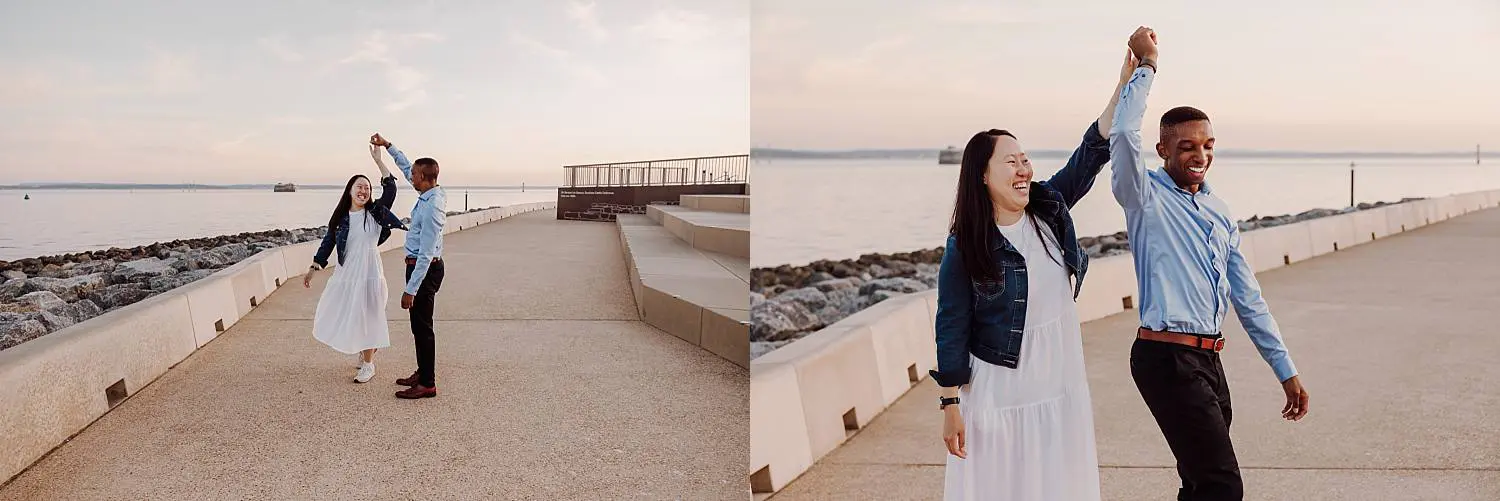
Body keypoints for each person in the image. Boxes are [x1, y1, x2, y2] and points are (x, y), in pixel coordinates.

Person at [930, 44, 1140, 501]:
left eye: (1024, 159)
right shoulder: (965, 247)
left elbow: (1089, 155)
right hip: (1000, 393)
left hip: (1059, 384)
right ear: (982, 176)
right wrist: (950, 406)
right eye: (1010, 162)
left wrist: (1124, 85)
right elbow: (950, 324)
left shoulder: (1048, 209)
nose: (1024, 169)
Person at [1109, 26, 1311, 501]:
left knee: (1200, 484)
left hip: (1208, 359)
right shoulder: (1145, 198)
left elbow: (1248, 298)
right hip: (1165, 358)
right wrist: (1147, 67)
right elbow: (1121, 131)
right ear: (1162, 151)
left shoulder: (1219, 211)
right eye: (1186, 146)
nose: (1200, 155)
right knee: (1222, 486)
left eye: (1208, 145)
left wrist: (1285, 369)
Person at [305, 145, 407, 383]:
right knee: (345, 312)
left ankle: (368, 364)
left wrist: (378, 160)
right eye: (359, 186)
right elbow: (328, 242)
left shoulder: (376, 213)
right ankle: (367, 350)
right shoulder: (341, 218)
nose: (364, 190)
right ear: (350, 190)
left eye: (368, 187)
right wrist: (314, 267)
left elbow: (391, 187)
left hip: (370, 271)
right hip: (346, 273)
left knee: (369, 315)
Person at [369, 132, 446, 400]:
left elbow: (426, 254)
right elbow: (404, 165)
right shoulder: (430, 191)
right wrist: (388, 146)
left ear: (424, 178)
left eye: (413, 174)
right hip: (419, 267)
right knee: (418, 326)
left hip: (423, 270)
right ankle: (422, 372)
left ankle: (428, 383)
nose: (409, 176)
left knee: (423, 327)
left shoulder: (432, 208)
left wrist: (410, 289)